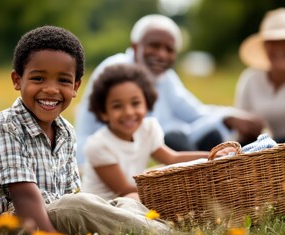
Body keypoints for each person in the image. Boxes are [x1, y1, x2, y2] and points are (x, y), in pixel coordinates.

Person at [0, 25, 172, 235]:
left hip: (48, 217)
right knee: (76, 207)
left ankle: (146, 228)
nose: (51, 89)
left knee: (125, 202)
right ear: (17, 80)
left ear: (76, 87)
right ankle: (166, 234)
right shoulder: (5, 126)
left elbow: (71, 194)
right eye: (38, 79)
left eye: (63, 80)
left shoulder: (66, 132)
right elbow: (25, 198)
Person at [75, 14, 264, 168]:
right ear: (135, 47)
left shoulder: (166, 78)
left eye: (169, 49)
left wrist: (229, 117)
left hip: (158, 150)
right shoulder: (116, 72)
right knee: (175, 136)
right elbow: (128, 131)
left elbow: (195, 113)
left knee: (212, 133)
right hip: (111, 158)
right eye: (154, 46)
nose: (161, 55)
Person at [81, 63, 234, 201]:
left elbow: (172, 158)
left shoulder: (147, 129)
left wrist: (212, 156)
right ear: (103, 112)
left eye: (135, 103)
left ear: (147, 104)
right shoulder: (98, 145)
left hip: (135, 196)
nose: (128, 112)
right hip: (108, 205)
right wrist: (171, 191)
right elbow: (124, 189)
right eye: (117, 106)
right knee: (133, 197)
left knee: (156, 179)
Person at [235, 8, 285, 144]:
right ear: (264, 47)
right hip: (259, 150)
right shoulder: (250, 79)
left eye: (283, 41)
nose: (279, 47)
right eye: (272, 42)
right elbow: (240, 124)